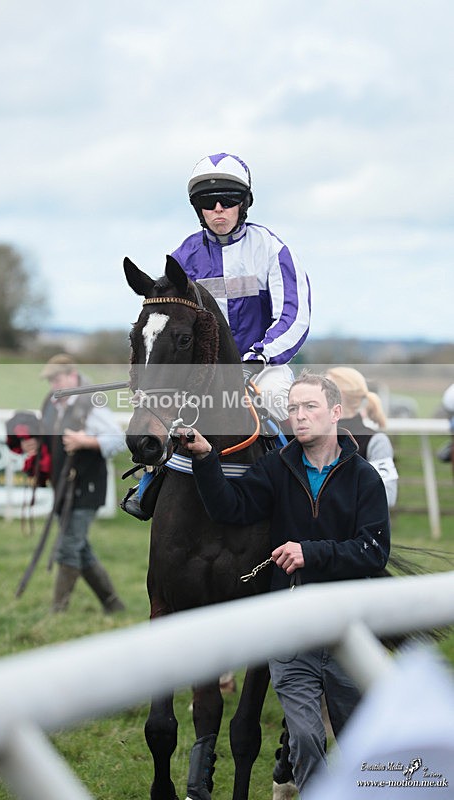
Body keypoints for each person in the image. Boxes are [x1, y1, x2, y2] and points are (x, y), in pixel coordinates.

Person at [178, 371, 391, 797]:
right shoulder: (275, 467)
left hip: (348, 630)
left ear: (335, 412)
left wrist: (311, 552)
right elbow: (231, 508)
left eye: (309, 406)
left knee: (359, 742)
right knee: (308, 739)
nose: (298, 416)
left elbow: (373, 552)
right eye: (292, 408)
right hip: (290, 630)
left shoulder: (364, 477)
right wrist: (204, 460)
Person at [170, 152, 311, 422]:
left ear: (244, 203)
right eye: (208, 201)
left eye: (229, 199)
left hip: (263, 368)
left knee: (275, 396)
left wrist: (258, 357)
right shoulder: (181, 258)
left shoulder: (272, 249)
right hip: (204, 370)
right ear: (198, 208)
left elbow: (294, 318)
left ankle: (297, 464)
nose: (219, 208)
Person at [13, 354, 127, 614]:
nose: (54, 385)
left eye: (58, 378)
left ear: (72, 375)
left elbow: (118, 440)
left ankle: (57, 612)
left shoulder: (92, 403)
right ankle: (113, 604)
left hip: (87, 487)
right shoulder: (52, 404)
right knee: (80, 548)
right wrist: (35, 443)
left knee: (68, 547)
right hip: (62, 488)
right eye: (51, 380)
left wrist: (86, 441)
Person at [325, 367, 398, 508]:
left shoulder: (376, 441)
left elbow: (388, 495)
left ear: (341, 395)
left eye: (325, 388)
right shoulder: (316, 436)